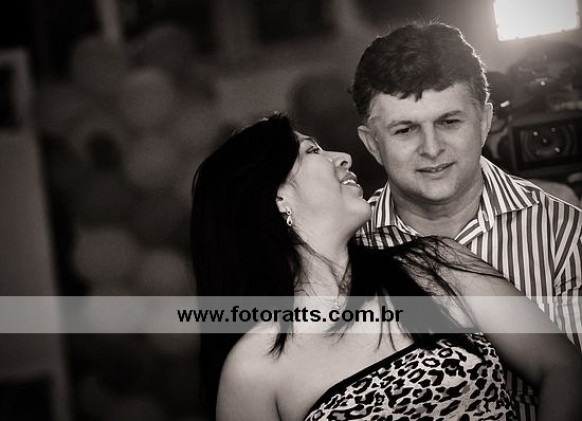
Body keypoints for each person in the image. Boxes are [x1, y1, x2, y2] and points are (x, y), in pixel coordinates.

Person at [190, 113, 582, 421]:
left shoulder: (438, 265)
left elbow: (563, 368)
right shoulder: (253, 369)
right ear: (278, 200)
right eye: (312, 151)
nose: (342, 157)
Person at [351, 22, 582, 420]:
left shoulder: (564, 233)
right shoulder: (346, 250)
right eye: (405, 129)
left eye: (449, 122)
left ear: (485, 120)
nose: (432, 148)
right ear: (372, 143)